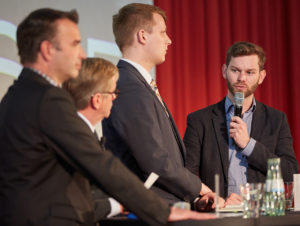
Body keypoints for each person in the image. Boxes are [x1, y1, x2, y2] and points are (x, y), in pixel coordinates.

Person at [0, 8, 215, 226]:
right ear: (47, 50)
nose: (82, 54)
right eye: (75, 44)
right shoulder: (47, 99)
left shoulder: (17, 95)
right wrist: (163, 211)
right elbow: (99, 164)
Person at [102, 3, 225, 209]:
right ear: (142, 36)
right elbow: (154, 160)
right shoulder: (128, 85)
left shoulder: (137, 84)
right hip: (146, 211)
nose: (169, 40)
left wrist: (194, 199)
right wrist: (201, 189)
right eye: (163, 32)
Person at [183, 41, 299, 201]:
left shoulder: (276, 120)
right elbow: (187, 174)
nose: (241, 78)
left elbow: (290, 171)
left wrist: (249, 145)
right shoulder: (199, 120)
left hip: (262, 215)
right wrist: (201, 200)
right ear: (224, 71)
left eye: (250, 72)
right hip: (219, 216)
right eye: (235, 70)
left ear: (261, 77)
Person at [63, 57, 122, 220]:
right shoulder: (72, 137)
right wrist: (119, 204)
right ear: (97, 100)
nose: (115, 98)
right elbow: (74, 206)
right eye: (113, 92)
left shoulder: (86, 132)